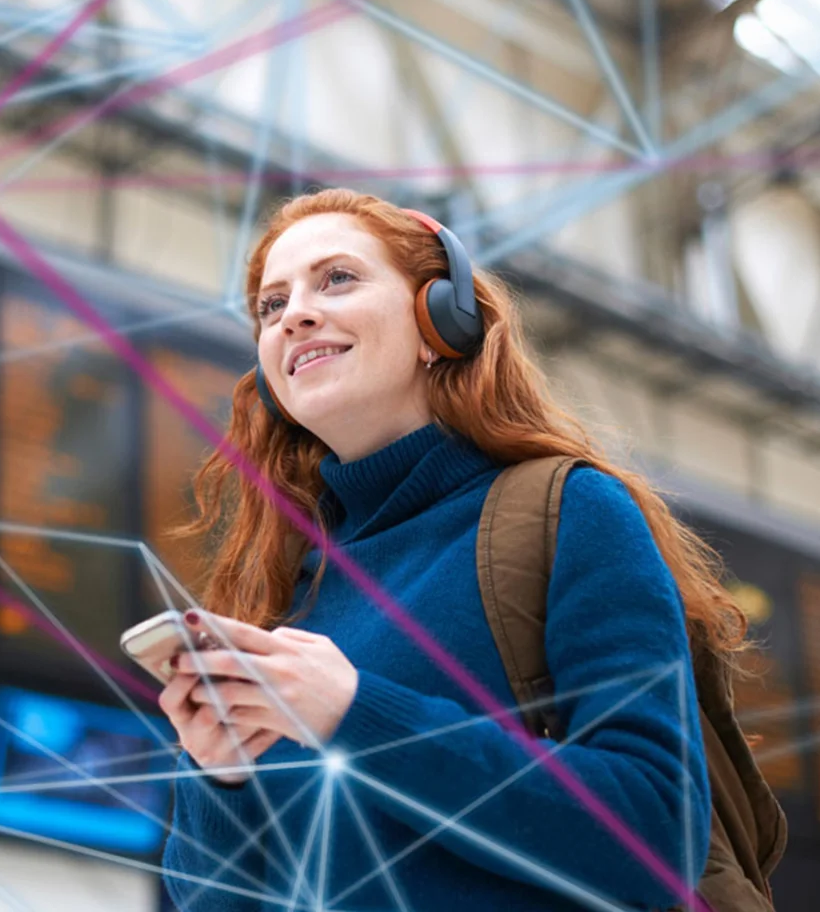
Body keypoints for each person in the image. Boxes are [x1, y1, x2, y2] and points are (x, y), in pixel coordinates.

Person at [157, 189, 748, 911]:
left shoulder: (570, 512)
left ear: (441, 318)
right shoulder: (291, 595)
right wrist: (219, 776)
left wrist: (357, 712)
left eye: (336, 278)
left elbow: (656, 834)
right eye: (271, 306)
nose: (295, 315)